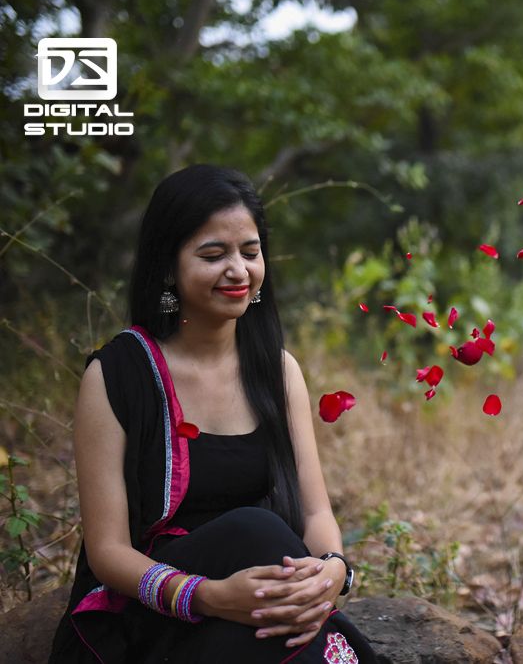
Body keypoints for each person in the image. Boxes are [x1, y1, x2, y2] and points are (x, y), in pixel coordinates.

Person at [50, 165, 376, 663]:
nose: (239, 271)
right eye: (213, 254)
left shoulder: (276, 370)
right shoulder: (118, 374)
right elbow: (108, 552)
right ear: (167, 266)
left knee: (265, 616)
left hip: (249, 611)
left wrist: (333, 569)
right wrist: (209, 595)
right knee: (254, 530)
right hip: (150, 610)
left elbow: (315, 512)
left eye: (250, 252)